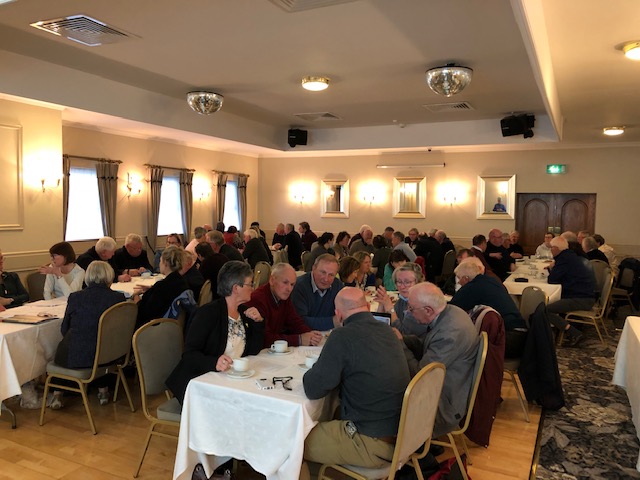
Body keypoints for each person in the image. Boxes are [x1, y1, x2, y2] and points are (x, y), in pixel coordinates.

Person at [301, 287, 410, 476]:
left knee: (292, 442)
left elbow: (313, 388)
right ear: (367, 306)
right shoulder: (387, 331)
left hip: (370, 442)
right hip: (401, 435)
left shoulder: (342, 336)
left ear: (338, 314)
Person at [166, 261, 264, 404]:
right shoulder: (208, 313)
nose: (253, 288)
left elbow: (253, 351)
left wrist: (258, 323)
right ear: (236, 288)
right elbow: (189, 354)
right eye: (250, 284)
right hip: (201, 382)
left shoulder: (244, 313)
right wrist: (214, 363)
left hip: (230, 380)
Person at [399, 282, 479, 438]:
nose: (408, 312)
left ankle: (407, 446)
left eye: (411, 309)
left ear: (428, 310)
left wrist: (401, 346)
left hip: (443, 405)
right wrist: (403, 339)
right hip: (448, 388)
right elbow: (428, 345)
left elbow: (421, 375)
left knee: (385, 395)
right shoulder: (452, 311)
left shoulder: (450, 333)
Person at [50, 261, 126, 409]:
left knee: (63, 350)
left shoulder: (76, 297)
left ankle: (58, 394)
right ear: (109, 276)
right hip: (110, 355)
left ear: (88, 277)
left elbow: (64, 329)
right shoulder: (118, 298)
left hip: (81, 356)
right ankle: (103, 390)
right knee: (98, 342)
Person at [451, 259, 528, 358]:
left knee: (463, 349)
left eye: (459, 278)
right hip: (521, 337)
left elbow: (451, 310)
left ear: (466, 278)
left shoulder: (472, 286)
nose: (458, 282)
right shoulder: (491, 280)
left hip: (509, 338)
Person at [247, 263, 323, 348]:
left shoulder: (283, 297)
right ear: (272, 280)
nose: (289, 289)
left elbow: (295, 322)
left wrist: (310, 335)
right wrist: (299, 339)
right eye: (285, 282)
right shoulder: (258, 300)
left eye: (292, 284)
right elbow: (265, 338)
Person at [545, 236, 595, 346]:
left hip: (581, 298)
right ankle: (561, 330)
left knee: (546, 310)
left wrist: (551, 268)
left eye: (551, 248)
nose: (551, 250)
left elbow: (552, 280)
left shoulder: (564, 259)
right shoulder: (570, 256)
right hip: (585, 295)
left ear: (556, 248)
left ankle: (574, 333)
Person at [133, 245, 189, 328]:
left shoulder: (162, 287)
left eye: (160, 261)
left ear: (165, 263)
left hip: (153, 328)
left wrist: (136, 297)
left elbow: (146, 312)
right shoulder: (182, 282)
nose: (159, 264)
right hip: (175, 327)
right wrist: (152, 289)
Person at [292, 253, 344, 330]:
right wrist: (332, 322)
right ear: (313, 268)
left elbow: (344, 314)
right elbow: (299, 321)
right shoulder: (299, 287)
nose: (326, 279)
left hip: (330, 333)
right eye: (323, 272)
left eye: (331, 275)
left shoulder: (337, 285)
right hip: (305, 334)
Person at [377, 262, 427, 338]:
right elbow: (383, 325)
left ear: (418, 282)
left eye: (407, 282)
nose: (402, 287)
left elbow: (403, 334)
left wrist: (390, 308)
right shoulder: (403, 300)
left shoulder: (421, 305)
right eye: (399, 282)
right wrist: (382, 303)